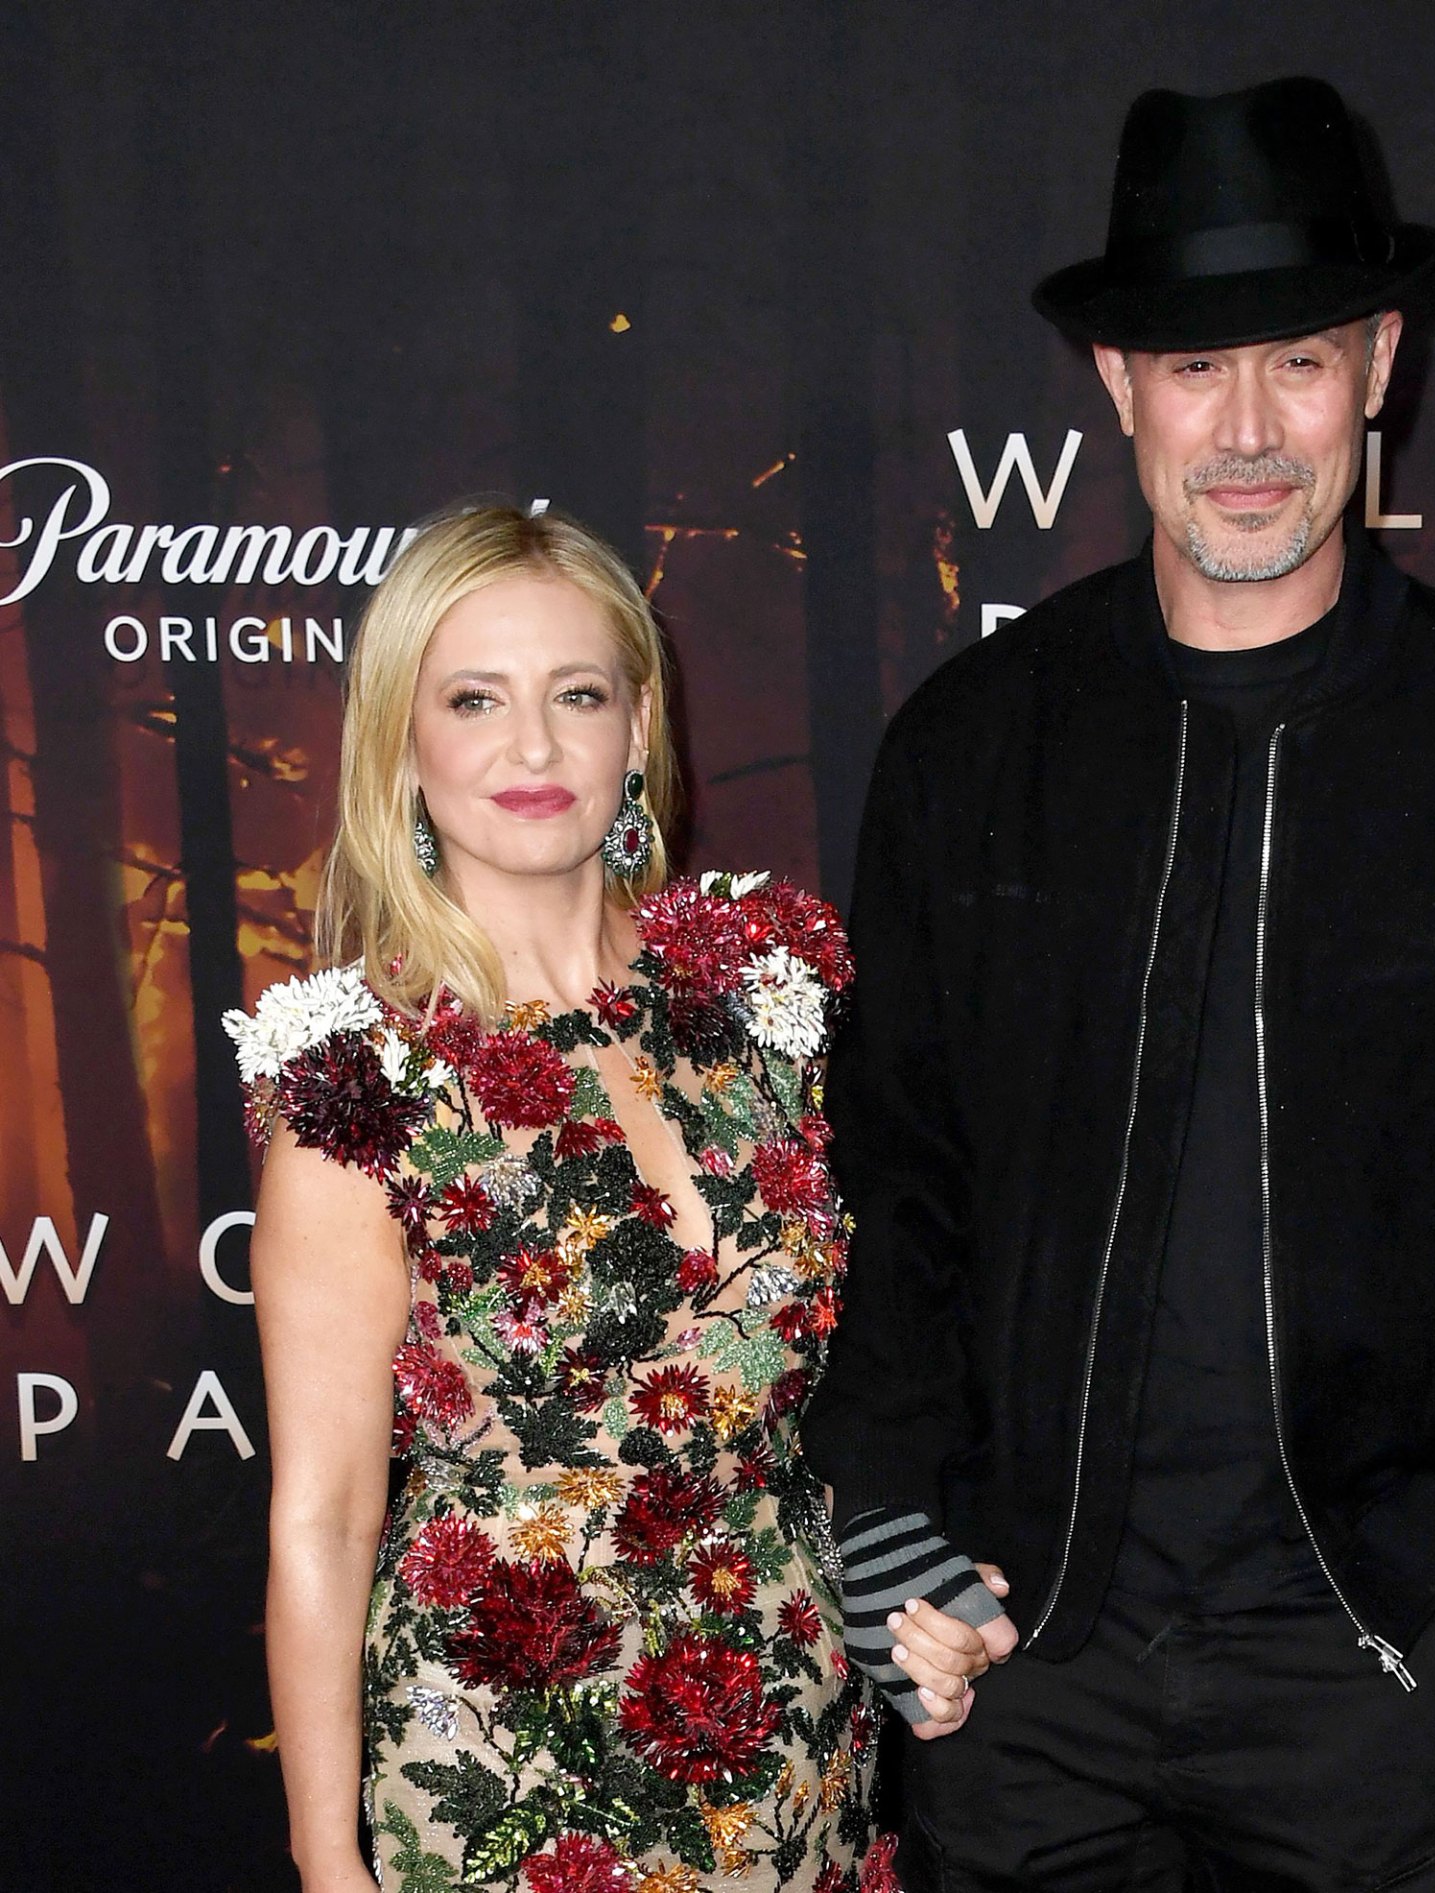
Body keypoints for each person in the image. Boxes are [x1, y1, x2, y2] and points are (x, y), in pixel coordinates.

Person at [806, 77, 1435, 1891]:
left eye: (1297, 361)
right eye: (1195, 366)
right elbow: (895, 1167)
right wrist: (893, 1523)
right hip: (1018, 1660)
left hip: (1375, 1675)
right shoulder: (974, 746)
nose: (1245, 429)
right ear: (1118, 383)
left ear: (1379, 365)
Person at [229, 505, 892, 1891]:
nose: (533, 748)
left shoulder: (763, 1004)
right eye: (475, 699)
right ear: (401, 744)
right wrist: (324, 1856)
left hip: (792, 1740)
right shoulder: (363, 1085)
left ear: (639, 728)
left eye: (576, 695)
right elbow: (326, 1515)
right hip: (508, 1768)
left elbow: (864, 1374)